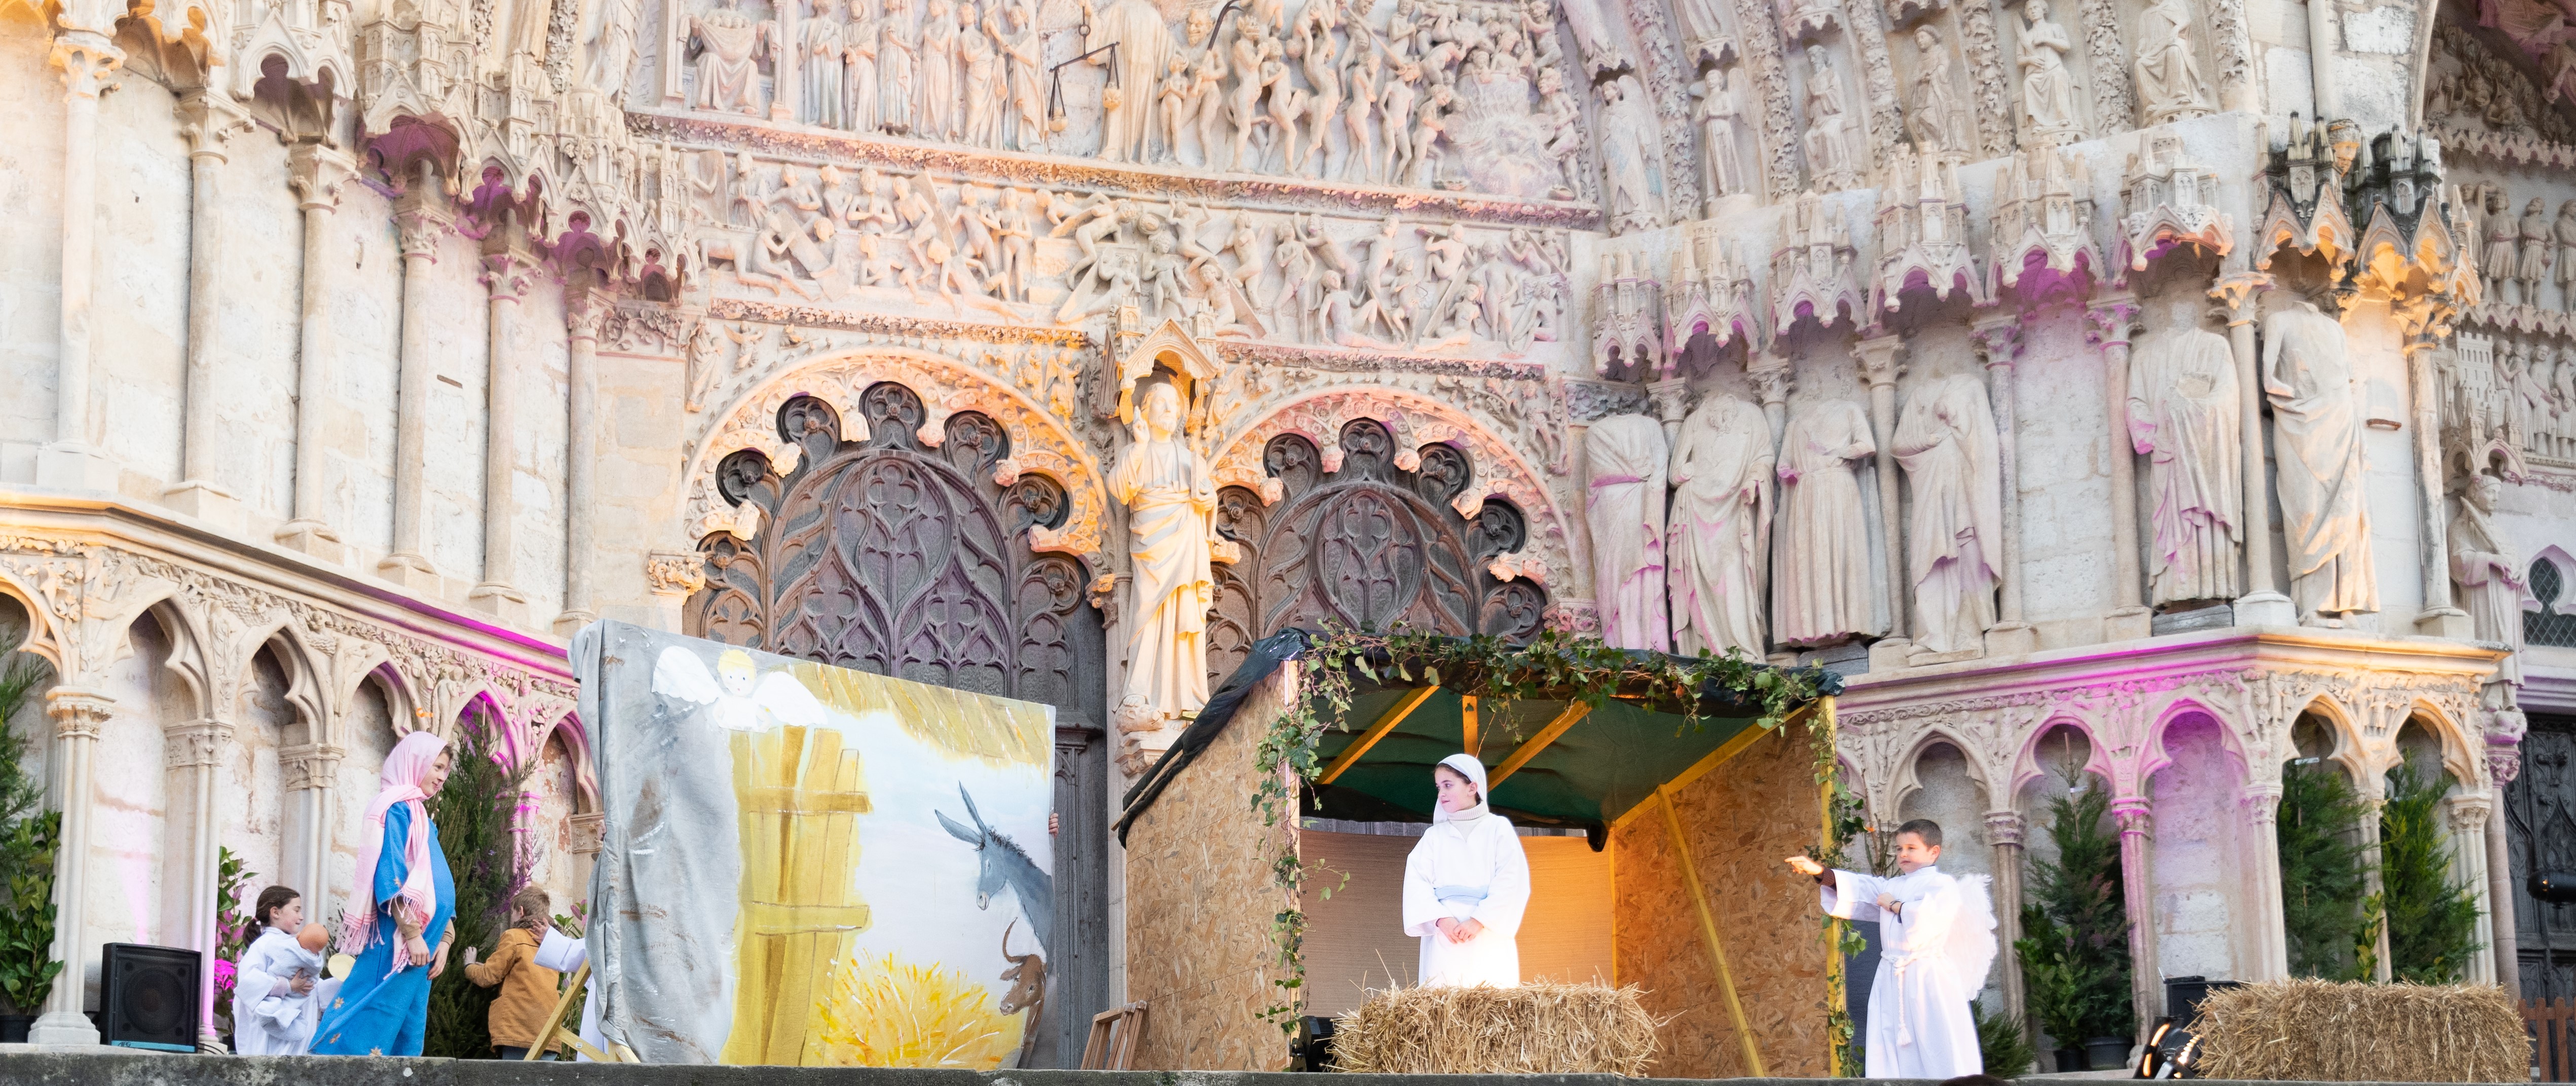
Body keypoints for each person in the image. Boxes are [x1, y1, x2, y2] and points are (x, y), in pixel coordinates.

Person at [1784, 819, 1996, 1078]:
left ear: (1934, 852)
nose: (1903, 854)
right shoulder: (1893, 885)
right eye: (1899, 849)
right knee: (1888, 1038)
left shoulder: (1942, 885)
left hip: (1927, 975)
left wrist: (1896, 905)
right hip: (1892, 975)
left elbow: (1930, 918)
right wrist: (1819, 871)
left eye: (1911, 848)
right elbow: (1862, 888)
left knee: (1935, 1037)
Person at [311, 731, 457, 1057]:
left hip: (426, 943)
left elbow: (437, 885)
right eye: (438, 767)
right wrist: (413, 933)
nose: (442, 777)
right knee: (371, 1009)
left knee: (409, 1022)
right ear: (416, 763)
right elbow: (389, 875)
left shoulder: (422, 818)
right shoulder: (395, 810)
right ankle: (325, 1073)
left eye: (445, 771)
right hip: (400, 938)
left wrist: (444, 940)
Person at [1400, 754, 1530, 988]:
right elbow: (1416, 883)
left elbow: (1513, 880)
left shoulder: (1498, 829)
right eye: (1439, 787)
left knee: (1491, 1008)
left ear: (1472, 787)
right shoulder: (1434, 837)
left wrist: (1479, 920)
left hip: (1488, 937)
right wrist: (1441, 920)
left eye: (1448, 785)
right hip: (1445, 940)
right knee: (1443, 1009)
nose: (1441, 794)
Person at [463, 887, 565, 1060]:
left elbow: (488, 977)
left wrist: (469, 965)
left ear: (521, 911)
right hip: (548, 1034)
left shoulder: (514, 936)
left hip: (518, 1032)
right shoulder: (554, 942)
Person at [232, 886, 326, 1055]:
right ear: (275, 912)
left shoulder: (296, 948)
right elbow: (249, 984)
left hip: (297, 1042)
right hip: (272, 1044)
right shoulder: (263, 946)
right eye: (296, 910)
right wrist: (288, 986)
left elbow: (311, 986)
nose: (301, 917)